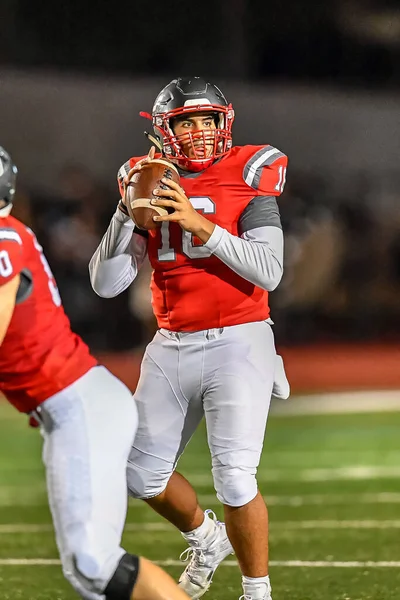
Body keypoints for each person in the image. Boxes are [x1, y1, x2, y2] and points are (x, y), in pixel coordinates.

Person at [89, 76, 290, 600]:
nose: (199, 132)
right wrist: (125, 210)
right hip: (170, 342)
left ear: (225, 122)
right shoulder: (148, 177)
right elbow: (107, 285)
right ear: (164, 128)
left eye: (207, 119)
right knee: (137, 474)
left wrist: (199, 225)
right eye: (185, 121)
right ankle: (206, 537)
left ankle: (257, 592)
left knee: (236, 479)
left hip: (238, 339)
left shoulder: (249, 172)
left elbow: (269, 271)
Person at [0, 146, 191, 600]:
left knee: (93, 562)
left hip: (80, 404)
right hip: (73, 407)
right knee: (90, 572)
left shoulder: (4, 237)